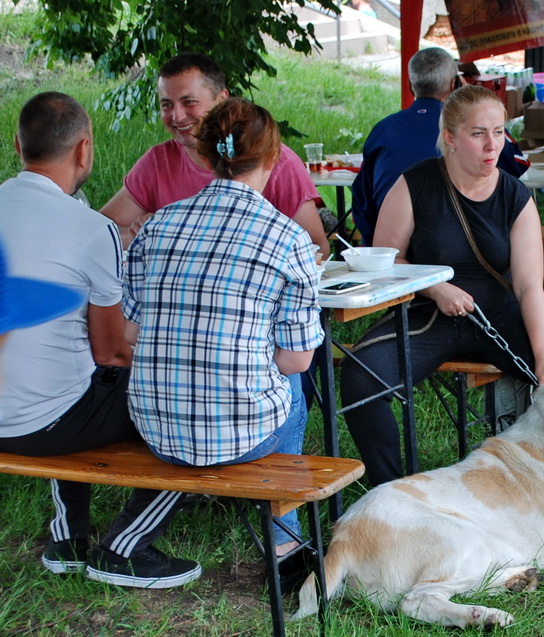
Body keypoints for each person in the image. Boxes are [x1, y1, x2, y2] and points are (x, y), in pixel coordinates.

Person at [0, 92, 200, 588]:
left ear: (17, 144)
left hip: (21, 411)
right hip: (38, 423)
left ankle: (68, 539)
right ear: (85, 150)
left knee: (66, 379)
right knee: (182, 403)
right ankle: (126, 549)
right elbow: (109, 352)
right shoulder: (92, 229)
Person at [341, 85, 544, 486]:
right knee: (360, 376)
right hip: (428, 314)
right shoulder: (414, 183)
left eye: (498, 131)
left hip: (501, 315)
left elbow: (528, 287)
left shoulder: (514, 194)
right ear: (450, 138)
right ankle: (390, 489)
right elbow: (386, 261)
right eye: (478, 133)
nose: (492, 145)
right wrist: (436, 287)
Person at [123, 97, 324, 556]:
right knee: (292, 386)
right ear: (274, 158)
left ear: (208, 154)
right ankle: (284, 538)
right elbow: (296, 359)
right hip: (245, 436)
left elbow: (132, 331)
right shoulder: (289, 238)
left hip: (154, 430)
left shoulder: (157, 226)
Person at [100, 52, 331, 257]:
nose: (177, 116)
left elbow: (317, 247)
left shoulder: (274, 160)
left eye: (189, 102)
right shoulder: (158, 161)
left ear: (221, 99)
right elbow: (99, 229)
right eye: (166, 105)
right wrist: (132, 236)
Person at [351, 47, 529, 246]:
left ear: (410, 86)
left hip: (390, 249)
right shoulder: (465, 126)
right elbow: (518, 165)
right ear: (454, 85)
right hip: (454, 246)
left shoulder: (382, 130)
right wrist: (469, 97)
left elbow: (362, 202)